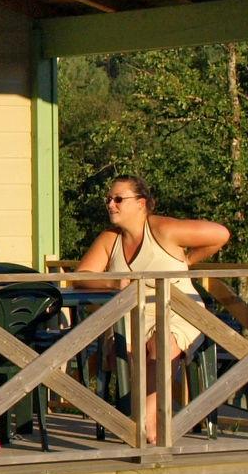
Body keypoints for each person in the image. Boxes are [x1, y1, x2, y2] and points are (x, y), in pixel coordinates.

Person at [73, 176, 229, 446]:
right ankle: (147, 423)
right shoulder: (110, 240)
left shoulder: (163, 229)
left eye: (118, 199)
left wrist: (189, 260)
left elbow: (220, 234)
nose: (111, 204)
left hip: (175, 309)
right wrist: (111, 282)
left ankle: (146, 424)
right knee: (126, 350)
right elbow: (81, 276)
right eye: (108, 199)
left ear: (141, 203)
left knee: (162, 344)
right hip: (130, 314)